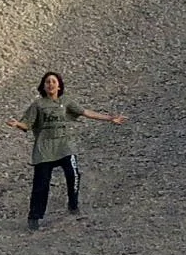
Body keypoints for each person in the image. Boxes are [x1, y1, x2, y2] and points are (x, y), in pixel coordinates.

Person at [7, 72, 125, 230]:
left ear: (59, 85)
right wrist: (16, 124)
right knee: (41, 184)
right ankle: (34, 217)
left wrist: (109, 118)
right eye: (47, 82)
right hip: (44, 148)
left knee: (73, 173)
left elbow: (85, 112)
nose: (50, 84)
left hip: (64, 145)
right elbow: (27, 124)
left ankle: (73, 205)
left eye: (53, 81)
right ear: (43, 86)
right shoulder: (38, 105)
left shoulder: (66, 102)